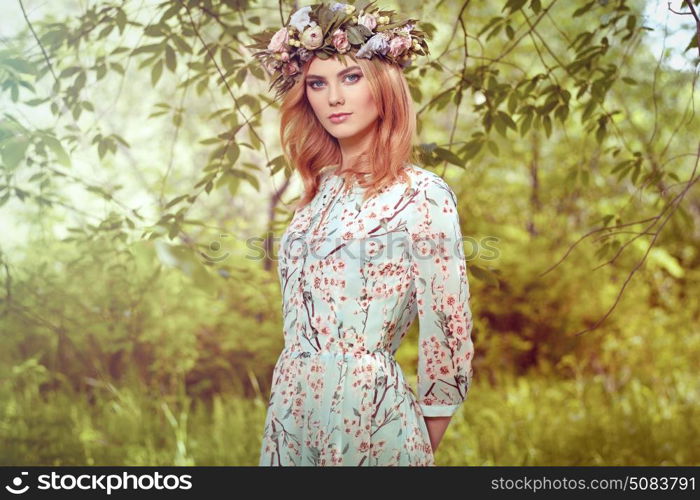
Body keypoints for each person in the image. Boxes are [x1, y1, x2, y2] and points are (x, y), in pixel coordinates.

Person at [248, 1, 475, 466]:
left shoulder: (422, 195)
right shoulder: (314, 195)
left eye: (350, 77)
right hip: (291, 410)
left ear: (383, 86)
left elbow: (447, 327)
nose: (334, 97)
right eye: (318, 82)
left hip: (371, 415)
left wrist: (415, 441)